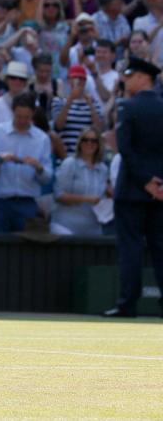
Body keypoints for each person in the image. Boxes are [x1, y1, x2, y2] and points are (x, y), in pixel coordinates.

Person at [105, 58, 163, 318]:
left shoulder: (127, 107)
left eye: (130, 75)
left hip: (132, 191)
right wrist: (158, 183)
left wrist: (145, 182)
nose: (125, 80)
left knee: (130, 249)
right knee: (161, 250)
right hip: (160, 192)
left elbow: (125, 149)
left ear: (143, 78)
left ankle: (128, 304)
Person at [0, 93, 53, 233]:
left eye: (27, 117)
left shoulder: (42, 139)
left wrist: (38, 167)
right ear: (12, 111)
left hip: (26, 203)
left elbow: (47, 178)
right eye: (18, 116)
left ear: (33, 113)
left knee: (25, 252)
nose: (22, 121)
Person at [51, 127, 109, 236]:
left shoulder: (103, 169)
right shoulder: (70, 163)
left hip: (93, 229)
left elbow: (102, 196)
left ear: (98, 144)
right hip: (66, 227)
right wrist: (86, 198)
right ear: (80, 142)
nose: (89, 143)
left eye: (93, 140)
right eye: (85, 140)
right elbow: (59, 195)